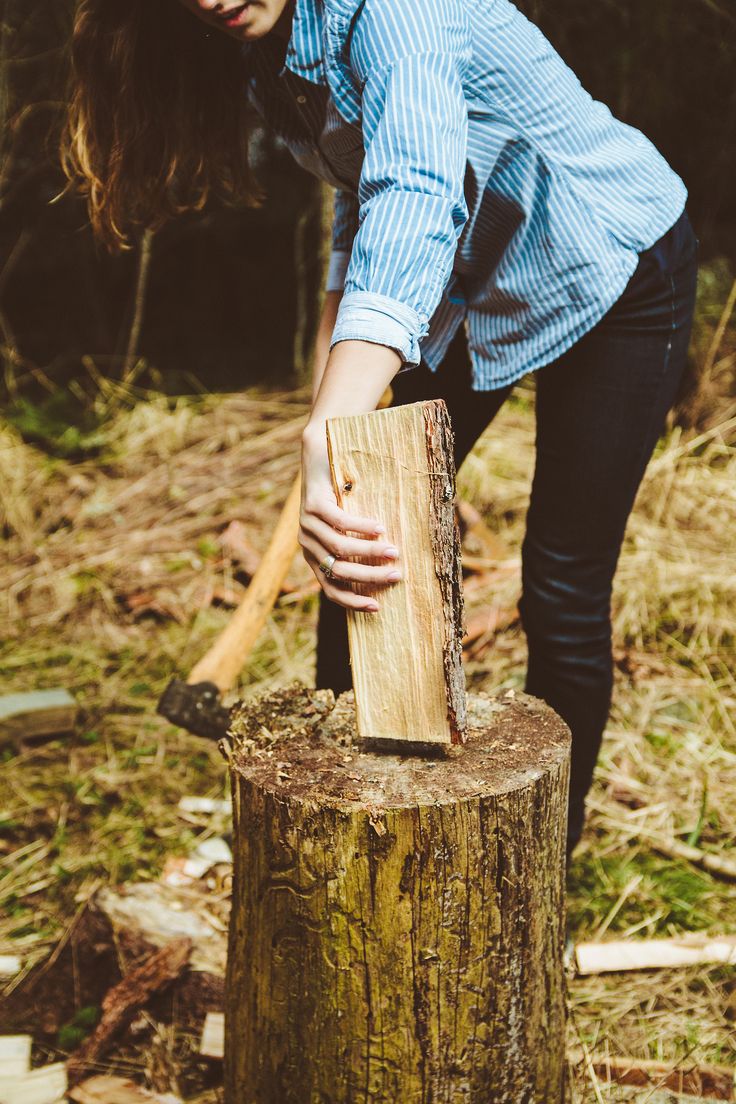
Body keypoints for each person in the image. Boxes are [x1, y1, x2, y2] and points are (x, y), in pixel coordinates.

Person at [64, 0, 698, 856]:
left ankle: (547, 865)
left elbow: (416, 190)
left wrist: (337, 414)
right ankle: (354, 827)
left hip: (614, 261)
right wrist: (336, 400)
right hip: (466, 274)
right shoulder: (272, 47)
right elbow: (363, 188)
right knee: (358, 536)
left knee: (561, 585)